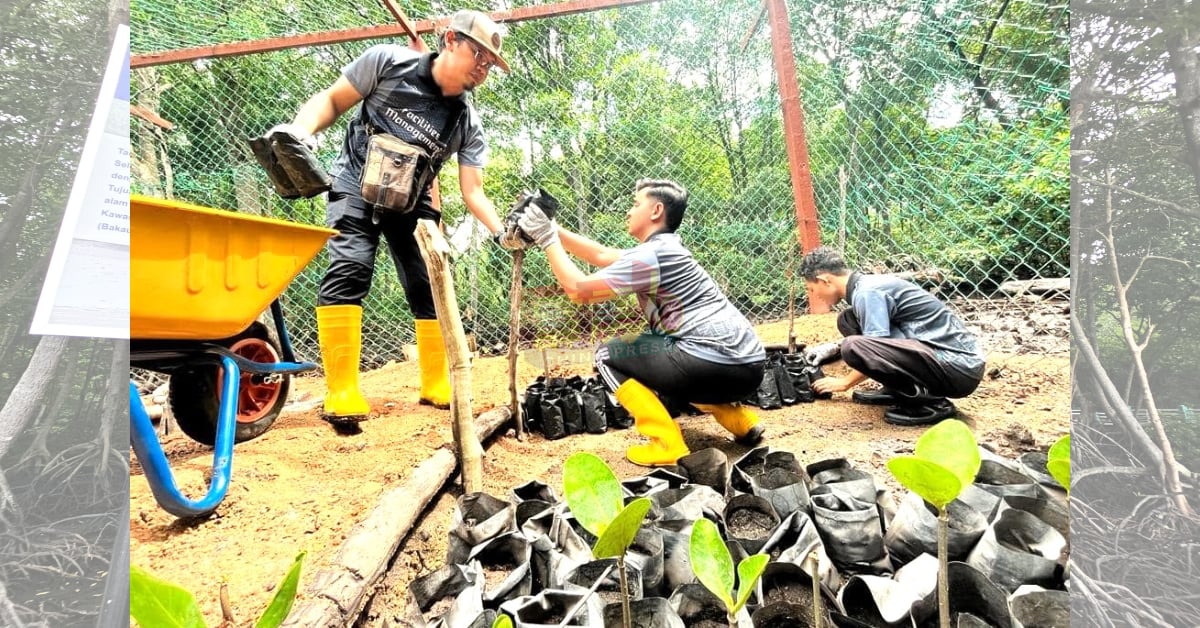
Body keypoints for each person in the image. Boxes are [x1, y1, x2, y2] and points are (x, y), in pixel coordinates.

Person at [273, 10, 523, 423]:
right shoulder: (388, 63)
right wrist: (302, 130)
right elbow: (333, 100)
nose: (482, 69)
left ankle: (435, 381)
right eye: (478, 55)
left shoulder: (466, 121)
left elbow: (473, 191)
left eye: (489, 64)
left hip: (414, 200)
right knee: (350, 268)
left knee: (431, 279)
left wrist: (502, 233)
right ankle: (342, 389)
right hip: (355, 183)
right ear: (451, 41)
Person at [516, 179, 767, 466]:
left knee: (608, 354)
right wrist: (550, 227)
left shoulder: (651, 255)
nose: (628, 211)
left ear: (656, 210)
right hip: (749, 368)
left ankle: (666, 443)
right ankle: (741, 421)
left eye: (636, 204)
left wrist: (547, 238)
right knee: (671, 359)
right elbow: (600, 254)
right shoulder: (665, 249)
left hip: (709, 364)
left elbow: (579, 290)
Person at [798, 246, 986, 426]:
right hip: (947, 361)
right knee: (848, 320)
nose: (815, 295)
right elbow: (877, 342)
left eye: (812, 289)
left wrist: (844, 383)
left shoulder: (867, 292)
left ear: (825, 280)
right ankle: (904, 390)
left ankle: (932, 402)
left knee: (852, 346)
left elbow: (872, 347)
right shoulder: (864, 288)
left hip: (957, 368)